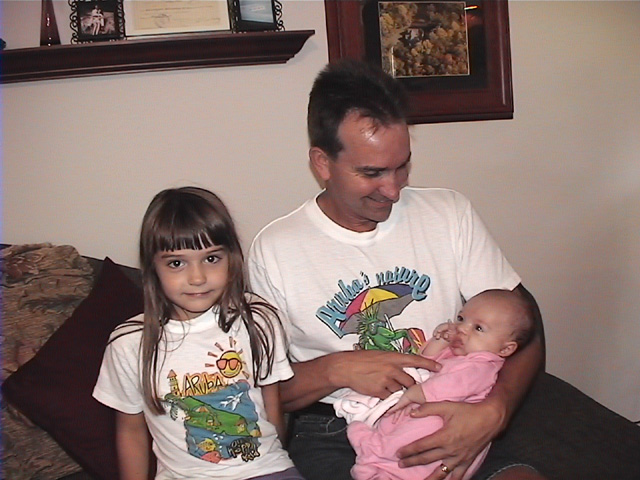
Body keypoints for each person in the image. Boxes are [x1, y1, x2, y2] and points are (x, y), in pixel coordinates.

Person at [247, 59, 545, 480]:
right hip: (340, 425)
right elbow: (264, 392)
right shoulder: (276, 249)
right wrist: (335, 369)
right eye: (372, 172)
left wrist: (494, 413)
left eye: (402, 165)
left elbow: (526, 331)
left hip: (452, 406)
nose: (392, 189)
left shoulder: (449, 213)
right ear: (322, 163)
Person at [93, 187, 305, 480]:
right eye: (176, 263)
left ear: (231, 258)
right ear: (152, 268)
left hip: (266, 468)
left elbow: (273, 407)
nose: (197, 278)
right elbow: (131, 431)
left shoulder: (259, 319)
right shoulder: (130, 343)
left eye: (211, 259)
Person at [348, 289, 534, 480]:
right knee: (398, 421)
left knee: (425, 425)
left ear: (505, 349)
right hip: (428, 414)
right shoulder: (459, 354)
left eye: (478, 328)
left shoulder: (484, 364)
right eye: (461, 319)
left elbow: (456, 385)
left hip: (449, 426)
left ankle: (375, 450)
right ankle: (378, 466)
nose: (462, 328)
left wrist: (417, 392)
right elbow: (427, 362)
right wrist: (441, 341)